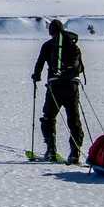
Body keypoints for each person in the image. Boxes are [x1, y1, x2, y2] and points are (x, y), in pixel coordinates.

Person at [32, 19, 86, 164]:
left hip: (54, 88)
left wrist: (36, 77)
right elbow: (79, 68)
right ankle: (75, 154)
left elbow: (39, 65)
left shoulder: (48, 45)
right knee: (74, 120)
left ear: (51, 31)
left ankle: (51, 151)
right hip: (71, 88)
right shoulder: (73, 45)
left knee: (48, 117)